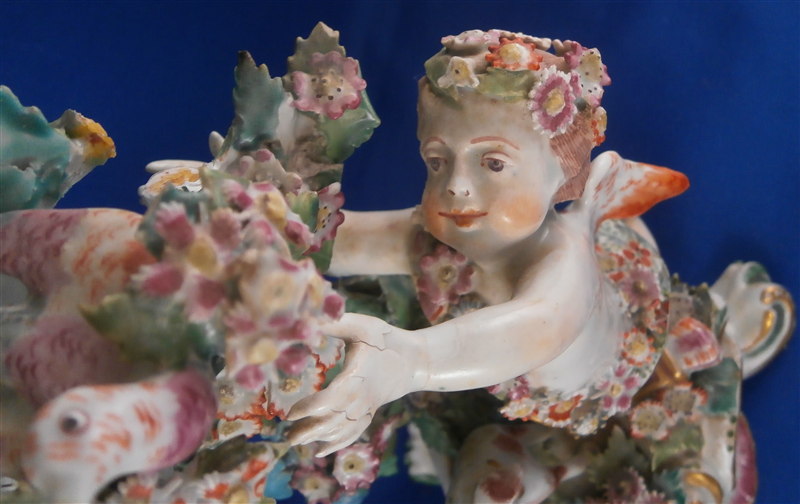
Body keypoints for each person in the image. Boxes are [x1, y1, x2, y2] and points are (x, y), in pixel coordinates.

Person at [286, 29, 688, 459]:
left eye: (493, 164)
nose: (456, 185)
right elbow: (328, 243)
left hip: (606, 367)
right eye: (437, 162)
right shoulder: (436, 244)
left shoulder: (564, 261)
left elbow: (535, 326)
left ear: (565, 172)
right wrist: (257, 210)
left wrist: (407, 359)